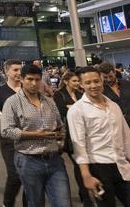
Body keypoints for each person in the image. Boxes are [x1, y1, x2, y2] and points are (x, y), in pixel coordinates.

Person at [68, 66, 130, 207]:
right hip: (97, 168)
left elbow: (126, 137)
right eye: (88, 83)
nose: (93, 86)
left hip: (122, 165)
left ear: (102, 80)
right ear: (81, 85)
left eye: (96, 81)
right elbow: (79, 146)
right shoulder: (77, 110)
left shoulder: (113, 106)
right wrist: (86, 175)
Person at [0, 64, 71, 207]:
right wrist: (37, 135)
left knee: (64, 203)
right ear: (21, 79)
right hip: (28, 160)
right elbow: (6, 131)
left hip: (54, 160)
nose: (34, 83)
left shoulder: (49, 101)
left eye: (37, 80)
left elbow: (59, 124)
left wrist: (60, 138)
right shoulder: (13, 102)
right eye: (30, 79)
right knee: (35, 202)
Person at [0, 59, 26, 207]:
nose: (18, 73)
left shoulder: (28, 89)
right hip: (8, 140)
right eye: (15, 70)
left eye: (20, 69)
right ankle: (8, 203)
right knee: (15, 175)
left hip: (29, 138)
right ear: (6, 72)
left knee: (29, 175)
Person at [53, 72, 92, 207]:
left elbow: (88, 110)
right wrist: (74, 108)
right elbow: (61, 112)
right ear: (66, 81)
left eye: (78, 81)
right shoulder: (59, 94)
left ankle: (86, 192)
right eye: (74, 81)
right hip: (69, 134)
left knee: (87, 163)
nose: (77, 83)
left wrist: (71, 108)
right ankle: (86, 196)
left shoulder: (81, 94)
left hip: (85, 133)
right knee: (78, 163)